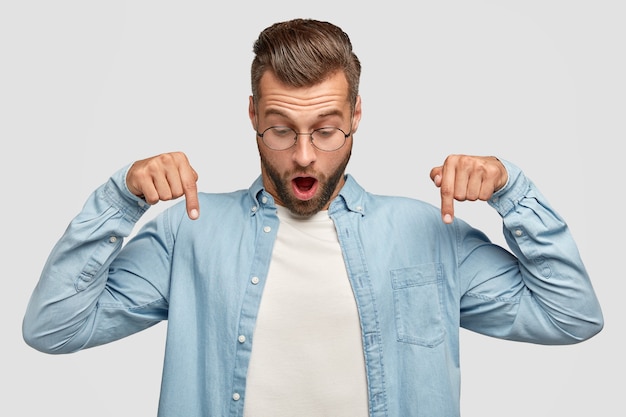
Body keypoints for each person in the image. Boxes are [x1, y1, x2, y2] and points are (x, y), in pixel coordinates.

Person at [23, 18, 603, 417]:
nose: (304, 154)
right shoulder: (189, 232)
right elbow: (54, 329)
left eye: (325, 130)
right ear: (252, 114)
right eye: (281, 128)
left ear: (356, 114)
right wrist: (119, 200)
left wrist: (512, 192)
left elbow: (571, 316)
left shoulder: (427, 235)